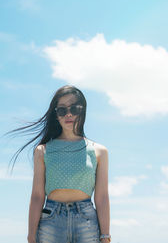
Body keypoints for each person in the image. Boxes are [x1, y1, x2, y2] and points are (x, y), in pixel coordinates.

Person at [7, 85, 111, 243]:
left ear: (82, 111)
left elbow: (102, 197)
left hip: (87, 222)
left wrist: (105, 235)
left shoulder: (99, 151)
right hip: (51, 221)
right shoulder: (42, 150)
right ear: (56, 115)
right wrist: (31, 235)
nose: (68, 114)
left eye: (74, 108)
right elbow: (37, 196)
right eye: (62, 110)